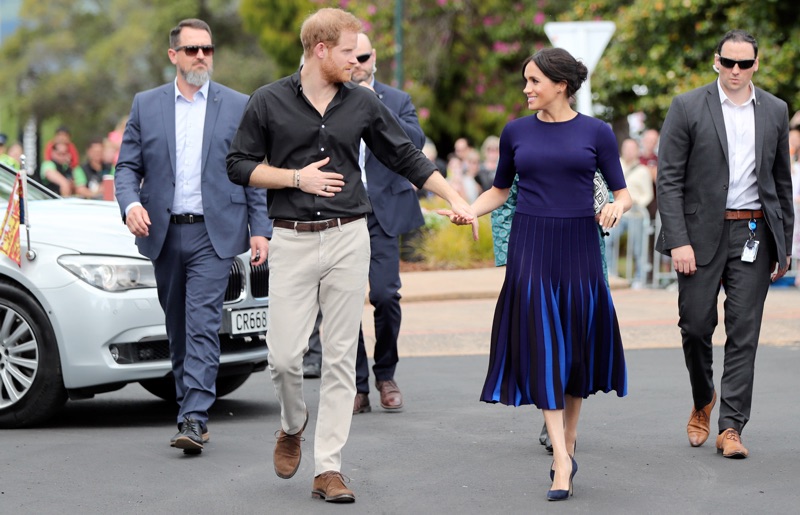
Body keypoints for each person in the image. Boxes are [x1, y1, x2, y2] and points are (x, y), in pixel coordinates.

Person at [226, 7, 472, 503]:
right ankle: (292, 423)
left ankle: (328, 469)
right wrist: (297, 178)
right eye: (347, 52)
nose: (357, 61)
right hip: (291, 238)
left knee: (339, 358)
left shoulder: (361, 102)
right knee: (283, 358)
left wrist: (456, 199)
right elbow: (238, 165)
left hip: (348, 236)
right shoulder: (268, 100)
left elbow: (406, 156)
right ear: (320, 51)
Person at [441, 47, 631, 501]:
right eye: (525, 81)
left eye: (534, 81)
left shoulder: (597, 133)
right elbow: (500, 190)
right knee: (544, 344)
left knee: (576, 348)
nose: (526, 89)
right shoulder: (515, 133)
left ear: (560, 85)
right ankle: (562, 460)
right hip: (531, 248)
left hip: (580, 248)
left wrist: (613, 207)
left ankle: (567, 439)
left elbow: (623, 194)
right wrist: (469, 211)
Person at [114, 18, 271, 454]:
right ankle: (188, 407)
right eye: (192, 50)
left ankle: (195, 418)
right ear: (174, 56)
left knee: (202, 322)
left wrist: (261, 229)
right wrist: (131, 205)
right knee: (178, 327)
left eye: (207, 49)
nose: (201, 56)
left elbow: (251, 172)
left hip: (213, 234)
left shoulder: (237, 105)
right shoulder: (147, 105)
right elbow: (126, 167)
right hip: (164, 234)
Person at [656, 29, 792, 459]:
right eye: (727, 62)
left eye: (744, 64)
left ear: (756, 64)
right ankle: (702, 398)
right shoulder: (687, 106)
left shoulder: (775, 109)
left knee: (744, 333)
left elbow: (781, 184)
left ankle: (731, 426)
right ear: (716, 61)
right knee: (695, 327)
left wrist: (785, 246)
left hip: (754, 233)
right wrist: (678, 240)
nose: (735, 71)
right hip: (697, 237)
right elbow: (669, 178)